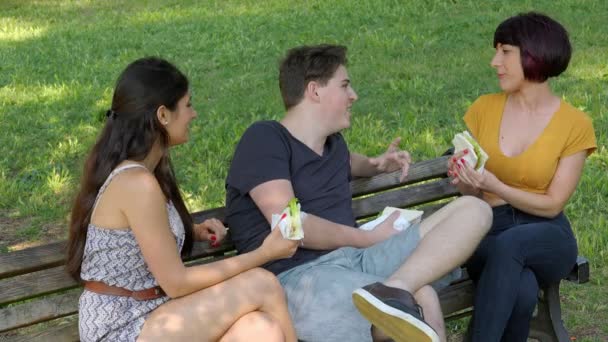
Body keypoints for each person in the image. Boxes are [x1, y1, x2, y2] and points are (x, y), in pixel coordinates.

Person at [225, 44, 493, 342]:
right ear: (314, 90)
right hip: (299, 280)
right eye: (344, 86)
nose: (353, 96)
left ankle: (397, 288)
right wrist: (368, 237)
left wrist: (378, 165)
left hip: (358, 262)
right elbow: (290, 226)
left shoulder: (333, 145)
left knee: (474, 210)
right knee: (424, 298)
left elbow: (350, 162)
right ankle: (395, 295)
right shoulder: (265, 139)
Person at [66, 57, 299, 342]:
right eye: (188, 104)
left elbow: (138, 238)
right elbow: (177, 284)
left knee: (260, 330)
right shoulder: (137, 183)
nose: (193, 114)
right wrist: (264, 254)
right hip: (122, 324)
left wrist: (191, 230)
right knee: (262, 283)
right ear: (163, 115)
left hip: (151, 311)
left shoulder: (144, 176)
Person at [448, 12, 597, 342]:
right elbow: (469, 196)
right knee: (523, 288)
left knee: (515, 247)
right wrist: (464, 180)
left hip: (546, 233)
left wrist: (496, 185)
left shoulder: (575, 125)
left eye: (505, 52)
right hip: (487, 229)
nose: (494, 62)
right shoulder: (483, 109)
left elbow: (552, 204)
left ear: (534, 53)